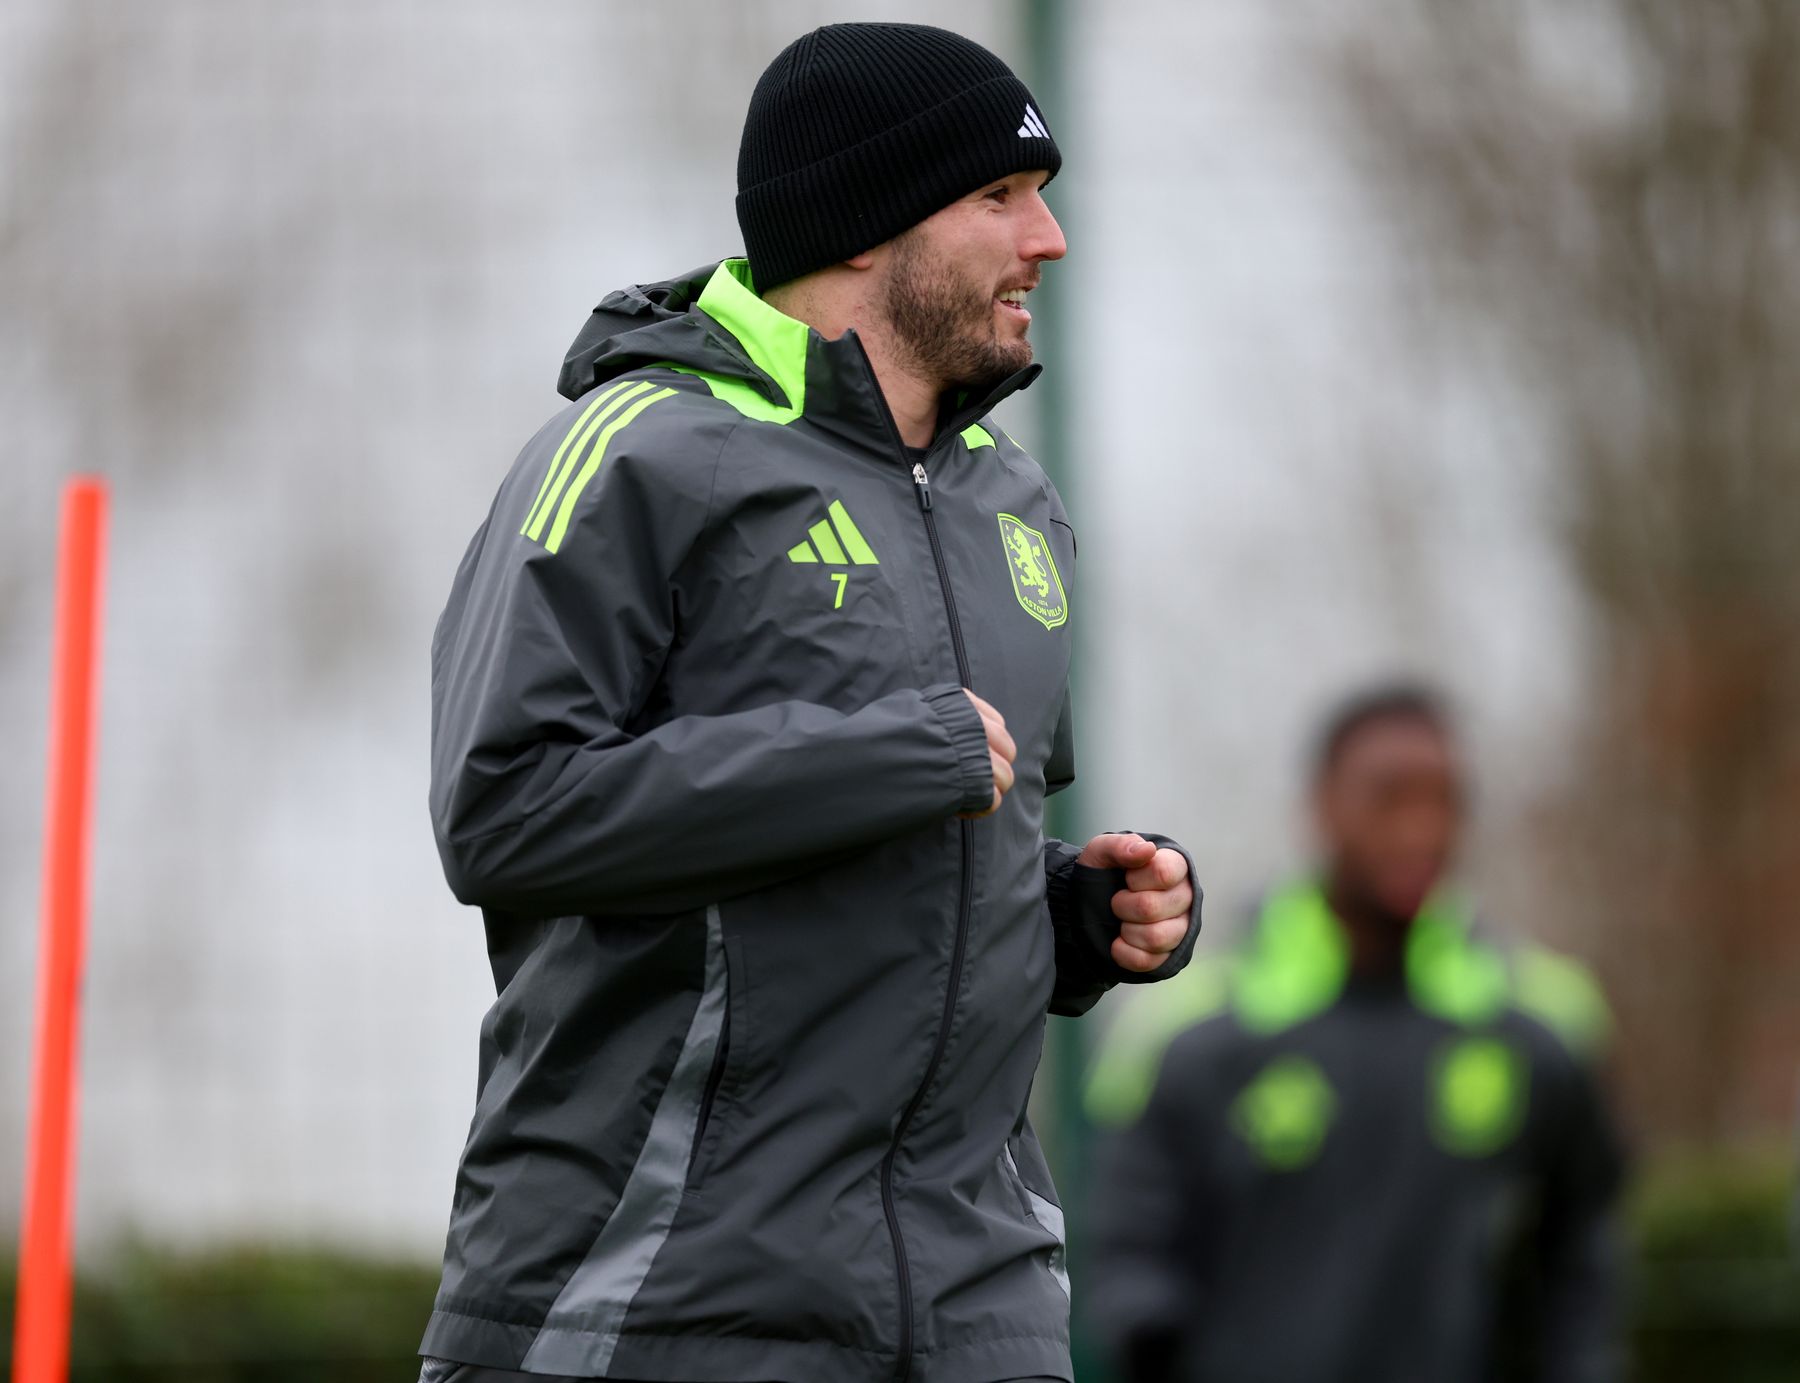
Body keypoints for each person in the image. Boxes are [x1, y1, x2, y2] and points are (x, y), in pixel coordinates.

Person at [419, 22, 1203, 1383]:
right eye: (1001, 198)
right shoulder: (637, 453)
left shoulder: (1016, 504)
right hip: (663, 1306)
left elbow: (950, 857)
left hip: (981, 1317)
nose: (1049, 239)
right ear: (861, 230)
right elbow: (504, 810)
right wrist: (884, 757)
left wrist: (1073, 914)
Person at [1084, 685, 1625, 1383]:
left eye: (1443, 800)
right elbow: (1130, 1264)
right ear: (1321, 807)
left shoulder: (1545, 1021)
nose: (1420, 829)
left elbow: (1585, 1250)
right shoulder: (1189, 1031)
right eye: (1390, 797)